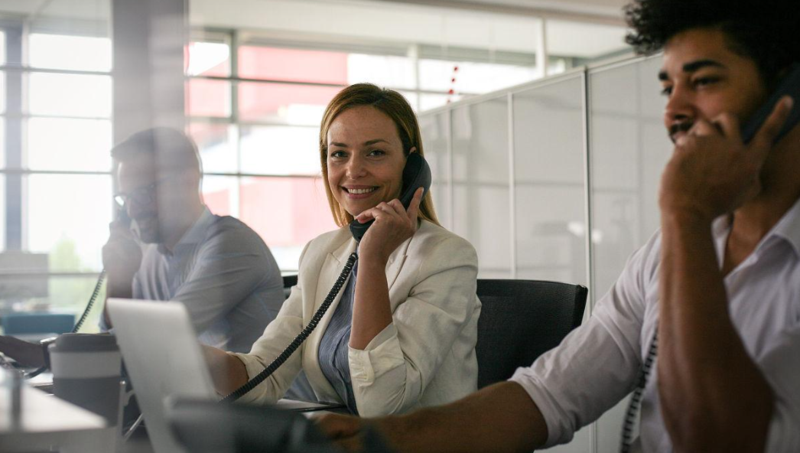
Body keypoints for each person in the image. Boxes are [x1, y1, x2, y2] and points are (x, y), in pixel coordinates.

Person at [316, 0, 800, 451]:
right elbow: (550, 394)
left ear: (789, 91)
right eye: (668, 88)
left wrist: (687, 217)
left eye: (704, 81)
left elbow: (718, 437)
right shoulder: (664, 253)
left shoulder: (685, 234)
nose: (673, 112)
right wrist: (378, 439)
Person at [203, 83, 481, 417]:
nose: (353, 170)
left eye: (375, 153)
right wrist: (183, 354)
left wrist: (372, 259)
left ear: (411, 167)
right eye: (339, 154)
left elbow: (383, 403)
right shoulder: (321, 253)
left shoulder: (446, 257)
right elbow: (263, 377)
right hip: (342, 439)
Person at [0, 128, 285, 368]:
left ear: (189, 180)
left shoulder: (231, 245)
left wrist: (44, 354)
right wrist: (119, 281)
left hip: (269, 409)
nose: (133, 210)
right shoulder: (152, 257)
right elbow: (118, 346)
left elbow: (161, 335)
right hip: (201, 405)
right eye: (126, 198)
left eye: (145, 193)